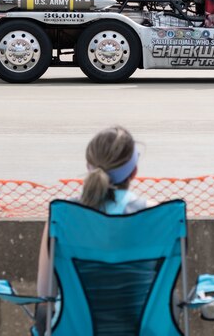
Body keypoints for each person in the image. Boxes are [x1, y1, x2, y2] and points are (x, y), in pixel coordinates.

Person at [36, 125, 148, 300]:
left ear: (89, 166)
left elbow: (45, 293)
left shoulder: (62, 216)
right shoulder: (154, 214)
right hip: (143, 325)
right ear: (134, 171)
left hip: (74, 326)